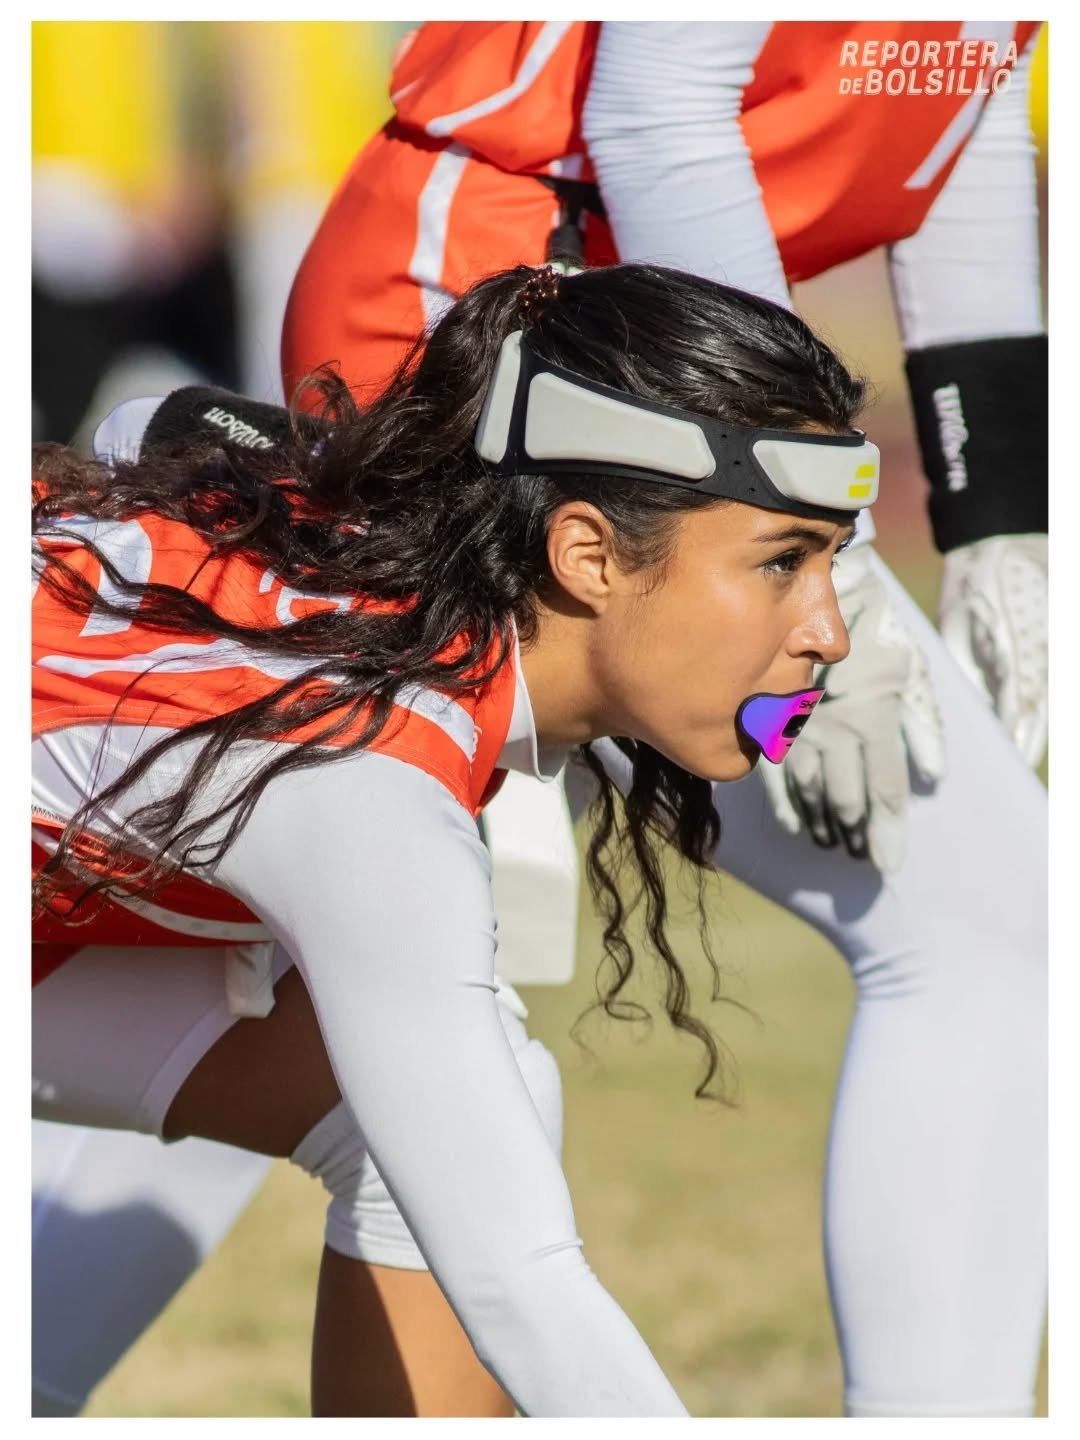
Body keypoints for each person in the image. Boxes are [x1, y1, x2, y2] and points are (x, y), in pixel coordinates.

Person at [276, 20, 1047, 1419]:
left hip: (651, 377)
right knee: (990, 920)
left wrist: (1005, 513)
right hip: (512, 353)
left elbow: (962, 87)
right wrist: (828, 561)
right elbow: (656, 101)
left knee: (251, 966)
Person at [32, 261, 873, 1417]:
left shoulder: (392, 584)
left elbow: (146, 422)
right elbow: (521, 1285)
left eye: (831, 561)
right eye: (783, 560)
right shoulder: (365, 774)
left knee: (465, 1099)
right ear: (586, 556)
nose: (831, 632)